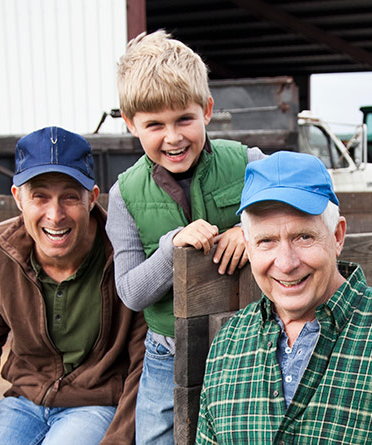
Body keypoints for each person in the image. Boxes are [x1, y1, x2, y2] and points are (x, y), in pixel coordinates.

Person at [196, 151, 372, 444]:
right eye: (266, 241)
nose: (286, 262)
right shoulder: (229, 345)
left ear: (337, 236)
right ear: (248, 246)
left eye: (303, 237)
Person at [105, 30, 266, 445]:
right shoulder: (124, 194)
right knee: (156, 437)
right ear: (130, 124)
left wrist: (250, 230)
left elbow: (314, 211)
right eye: (154, 125)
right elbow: (131, 293)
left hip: (252, 342)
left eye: (184, 119)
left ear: (207, 110)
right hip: (166, 348)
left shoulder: (248, 163)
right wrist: (171, 247)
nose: (173, 137)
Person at [0, 126, 146, 445]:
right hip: (23, 402)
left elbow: (144, 358)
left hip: (94, 405)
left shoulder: (124, 252)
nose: (55, 215)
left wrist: (120, 437)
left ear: (92, 198)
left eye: (70, 197)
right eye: (40, 197)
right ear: (18, 198)